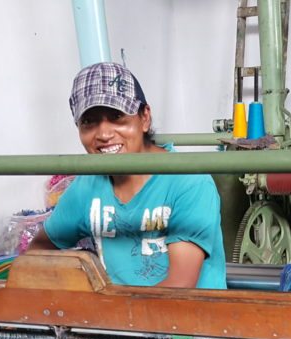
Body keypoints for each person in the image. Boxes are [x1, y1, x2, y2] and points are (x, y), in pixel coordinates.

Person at [28, 62, 226, 289]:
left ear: (145, 118)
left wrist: (100, 307)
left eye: (117, 116)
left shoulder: (189, 182)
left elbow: (179, 287)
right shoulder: (87, 187)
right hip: (118, 310)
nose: (103, 134)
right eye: (89, 122)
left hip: (186, 310)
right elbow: (37, 251)